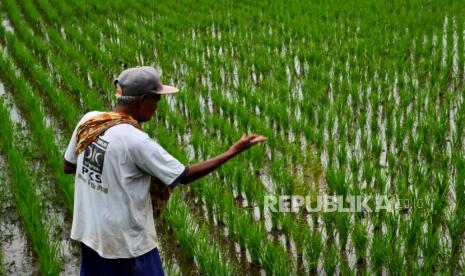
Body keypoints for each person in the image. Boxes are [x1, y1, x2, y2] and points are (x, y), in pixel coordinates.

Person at [63, 66, 266, 275]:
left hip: (91, 237)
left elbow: (69, 166)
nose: (157, 106)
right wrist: (233, 151)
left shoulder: (90, 121)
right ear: (143, 100)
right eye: (157, 100)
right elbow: (184, 175)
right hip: (128, 246)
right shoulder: (136, 141)